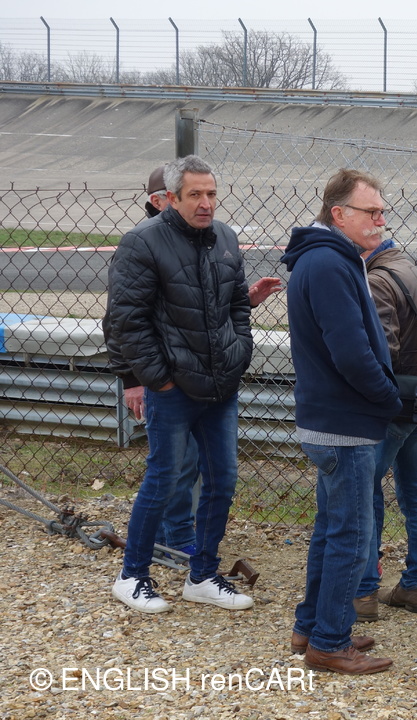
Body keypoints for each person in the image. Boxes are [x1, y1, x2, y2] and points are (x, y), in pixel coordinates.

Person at [105, 155, 255, 614]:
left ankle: (203, 575)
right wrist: (160, 382)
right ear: (171, 198)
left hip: (221, 387)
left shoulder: (225, 237)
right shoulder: (142, 242)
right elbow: (127, 322)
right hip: (174, 390)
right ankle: (132, 576)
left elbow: (238, 305)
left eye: (211, 194)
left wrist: (238, 353)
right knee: (164, 480)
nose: (206, 203)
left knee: (222, 480)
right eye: (195, 195)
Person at [281, 169, 401, 675]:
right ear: (339, 214)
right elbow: (351, 354)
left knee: (332, 530)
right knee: (351, 536)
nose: (380, 220)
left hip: (334, 419)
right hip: (344, 425)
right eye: (371, 211)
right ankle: (329, 642)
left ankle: (312, 625)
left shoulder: (329, 258)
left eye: (381, 211)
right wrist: (390, 400)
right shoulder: (329, 263)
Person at [352, 234, 417, 622]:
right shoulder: (412, 270)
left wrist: (366, 396)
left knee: (365, 489)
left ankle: (364, 590)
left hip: (394, 404)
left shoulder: (377, 280)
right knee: (415, 490)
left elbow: (382, 351)